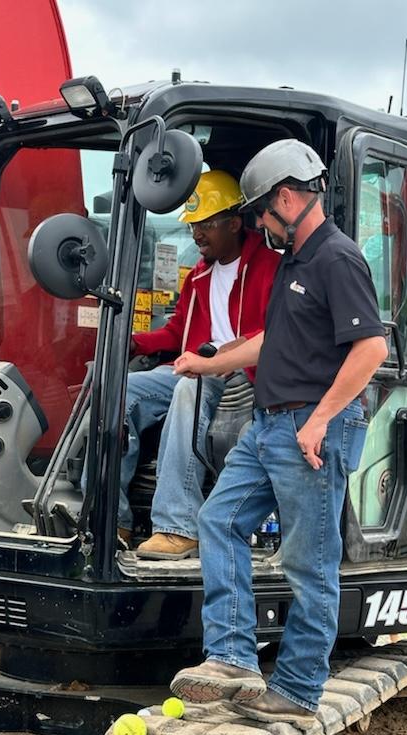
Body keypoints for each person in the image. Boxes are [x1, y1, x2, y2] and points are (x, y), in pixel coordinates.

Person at [169, 140, 388, 725]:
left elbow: (371, 347)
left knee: (309, 564)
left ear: (287, 198)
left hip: (309, 427)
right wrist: (206, 364)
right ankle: (234, 658)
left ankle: (297, 688)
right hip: (269, 426)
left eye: (262, 211)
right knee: (218, 520)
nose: (258, 223)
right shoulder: (296, 258)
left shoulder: (337, 259)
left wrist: (318, 421)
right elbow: (273, 340)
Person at [121, 170, 280, 559]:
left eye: (206, 224)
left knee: (188, 388)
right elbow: (177, 333)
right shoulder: (198, 275)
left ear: (234, 222)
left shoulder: (270, 267)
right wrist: (132, 343)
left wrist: (217, 359)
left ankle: (179, 525)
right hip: (195, 364)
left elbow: (271, 335)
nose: (197, 234)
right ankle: (114, 519)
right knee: (120, 387)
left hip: (244, 374)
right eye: (193, 225)